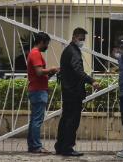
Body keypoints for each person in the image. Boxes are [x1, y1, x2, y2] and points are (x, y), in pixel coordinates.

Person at [55, 27, 100, 156]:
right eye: (80, 39)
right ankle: (67, 147)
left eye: (83, 39)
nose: (82, 41)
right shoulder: (73, 52)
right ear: (74, 37)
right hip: (73, 92)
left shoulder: (68, 50)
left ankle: (60, 146)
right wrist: (92, 81)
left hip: (68, 91)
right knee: (72, 121)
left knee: (65, 120)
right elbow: (77, 70)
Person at [26, 32, 59, 153]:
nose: (47, 46)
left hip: (36, 89)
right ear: (42, 42)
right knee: (37, 120)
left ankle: (32, 145)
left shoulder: (34, 53)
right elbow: (39, 72)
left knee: (34, 119)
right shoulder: (35, 54)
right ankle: (36, 146)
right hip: (38, 91)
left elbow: (39, 75)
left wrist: (50, 73)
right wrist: (51, 69)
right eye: (47, 44)